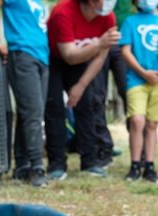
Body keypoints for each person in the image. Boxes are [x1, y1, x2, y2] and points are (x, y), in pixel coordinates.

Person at [44, 0, 121, 179]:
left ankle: (89, 161)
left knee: (86, 105)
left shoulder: (108, 17)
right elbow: (69, 55)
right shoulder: (62, 12)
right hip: (54, 57)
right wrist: (99, 43)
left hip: (82, 58)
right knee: (54, 107)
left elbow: (100, 58)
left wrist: (81, 85)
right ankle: (56, 164)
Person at [0, 0, 50, 187]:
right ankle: (37, 167)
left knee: (30, 112)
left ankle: (22, 165)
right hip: (22, 54)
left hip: (42, 56)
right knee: (33, 113)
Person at [119, 0, 158, 183]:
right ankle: (134, 165)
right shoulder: (130, 22)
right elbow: (125, 51)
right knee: (137, 120)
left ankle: (149, 165)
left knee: (152, 125)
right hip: (136, 79)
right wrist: (142, 72)